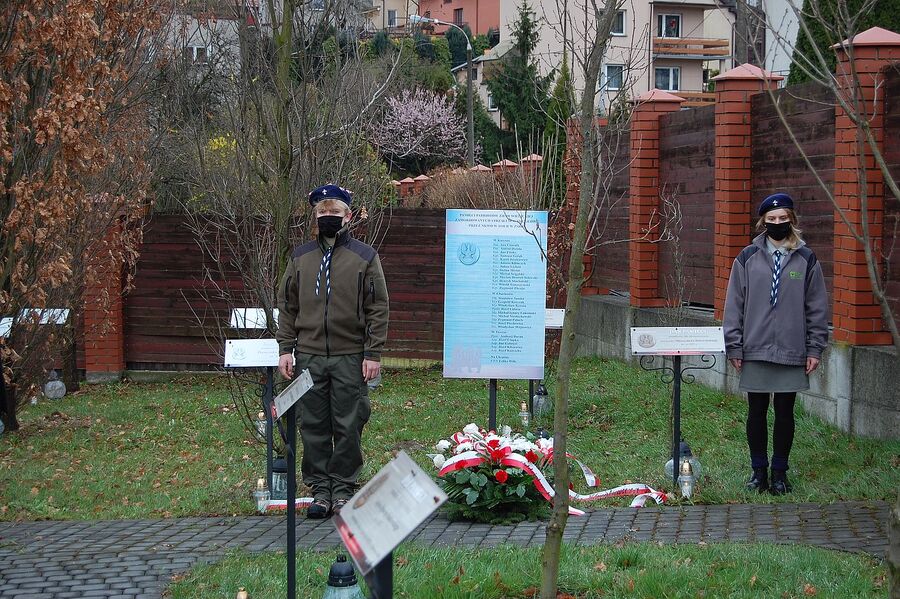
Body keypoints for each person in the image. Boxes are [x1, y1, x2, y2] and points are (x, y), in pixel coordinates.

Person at [276, 184, 389, 518]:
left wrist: (373, 353)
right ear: (315, 216)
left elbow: (378, 307)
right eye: (322, 212)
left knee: (349, 424)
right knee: (312, 426)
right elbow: (288, 305)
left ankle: (342, 489)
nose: (328, 217)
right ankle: (320, 492)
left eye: (335, 213)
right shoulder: (300, 258)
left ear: (347, 216)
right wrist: (286, 349)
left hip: (350, 356)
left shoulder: (365, 257)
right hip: (308, 356)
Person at [723, 192, 828, 496]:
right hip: (754, 347)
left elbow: (817, 307)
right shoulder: (747, 258)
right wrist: (734, 345)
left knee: (785, 412)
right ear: (763, 223)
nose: (778, 224)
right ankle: (758, 472)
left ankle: (780, 473)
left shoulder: (806, 259)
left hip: (791, 348)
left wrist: (814, 347)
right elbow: (734, 305)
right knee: (756, 411)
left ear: (792, 220)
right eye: (772, 220)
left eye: (783, 219)